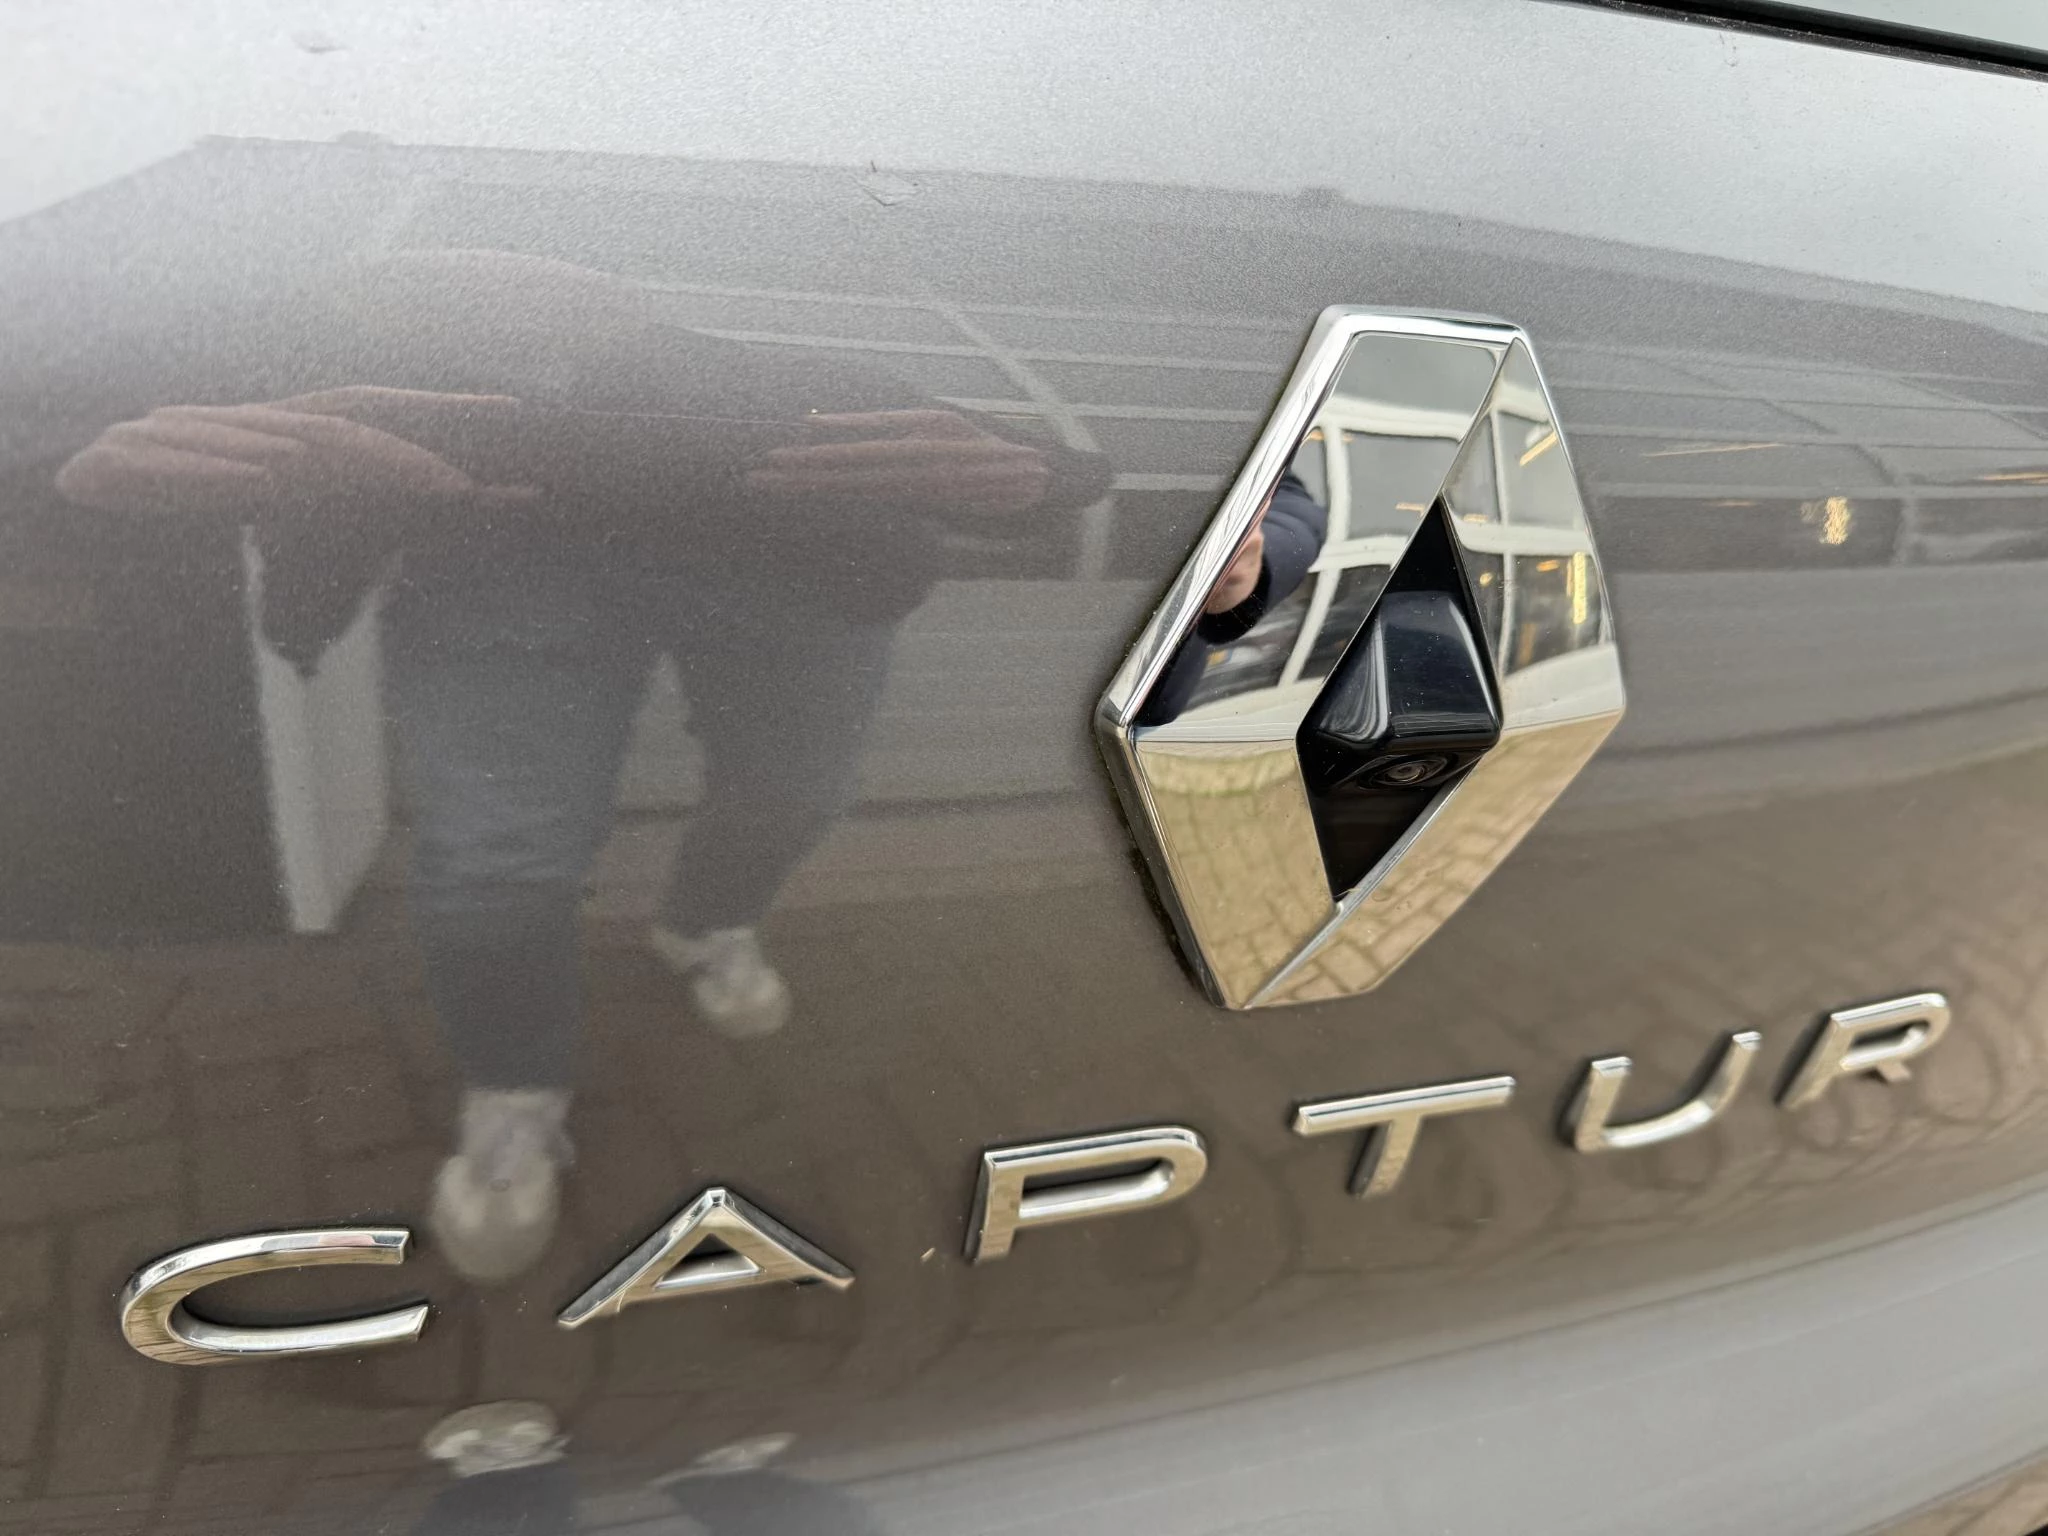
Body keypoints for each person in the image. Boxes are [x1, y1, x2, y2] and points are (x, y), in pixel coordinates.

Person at [54, 248, 1111, 1281]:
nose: (521, 282)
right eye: (481, 266)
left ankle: (705, 924)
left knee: (795, 793)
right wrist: (91, 475)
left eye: (559, 266)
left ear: (624, 282)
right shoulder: (340, 363)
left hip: (795, 568)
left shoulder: (768, 363)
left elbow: (991, 449)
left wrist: (1042, 477)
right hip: (499, 563)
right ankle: (514, 1091)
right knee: (495, 863)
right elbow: (115, 451)